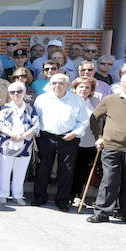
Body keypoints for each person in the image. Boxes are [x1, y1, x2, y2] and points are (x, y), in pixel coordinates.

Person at [86, 72, 126, 224]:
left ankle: (124, 213)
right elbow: (94, 118)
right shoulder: (110, 100)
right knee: (109, 179)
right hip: (111, 146)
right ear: (120, 84)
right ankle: (102, 212)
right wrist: (98, 137)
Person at [32, 73, 89, 211]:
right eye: (54, 83)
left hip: (69, 138)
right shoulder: (42, 99)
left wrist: (74, 133)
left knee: (67, 170)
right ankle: (39, 197)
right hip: (46, 136)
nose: (57, 86)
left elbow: (83, 120)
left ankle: (62, 200)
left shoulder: (77, 100)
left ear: (68, 85)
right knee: (43, 168)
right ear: (50, 85)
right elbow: (35, 117)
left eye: (61, 83)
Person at [0, 81, 40, 205]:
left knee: (20, 173)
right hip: (6, 144)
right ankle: (2, 194)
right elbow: (0, 124)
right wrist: (12, 135)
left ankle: (18, 195)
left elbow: (36, 126)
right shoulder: (5, 108)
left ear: (24, 93)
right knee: (4, 171)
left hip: (25, 145)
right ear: (10, 94)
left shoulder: (30, 108)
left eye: (19, 91)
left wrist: (23, 136)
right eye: (13, 92)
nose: (16, 94)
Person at [69, 77, 101, 205]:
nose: (84, 89)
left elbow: (100, 120)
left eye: (87, 87)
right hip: (69, 139)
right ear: (75, 88)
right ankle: (65, 194)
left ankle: (76, 194)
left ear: (92, 90)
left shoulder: (95, 102)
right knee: (68, 168)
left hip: (88, 140)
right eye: (81, 86)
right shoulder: (69, 100)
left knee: (82, 169)